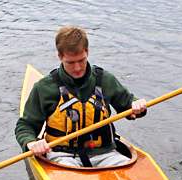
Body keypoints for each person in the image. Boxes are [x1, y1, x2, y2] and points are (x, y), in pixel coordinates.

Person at [15, 26, 148, 168]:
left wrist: (137, 106)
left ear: (87, 52)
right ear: (60, 56)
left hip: (106, 154)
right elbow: (25, 126)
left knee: (126, 169)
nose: (77, 68)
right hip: (62, 155)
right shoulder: (44, 88)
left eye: (81, 60)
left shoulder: (104, 80)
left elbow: (128, 104)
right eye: (70, 63)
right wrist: (31, 143)